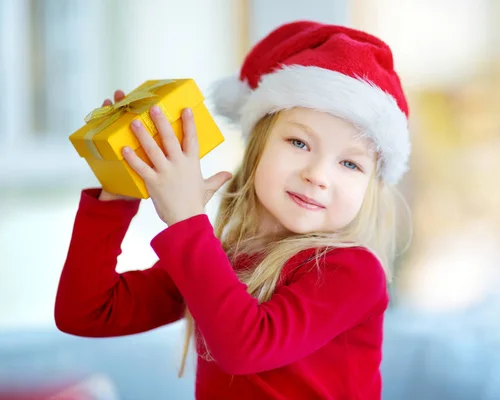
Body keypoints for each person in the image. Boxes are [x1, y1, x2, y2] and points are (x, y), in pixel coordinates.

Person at [55, 20, 412, 400]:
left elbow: (246, 347)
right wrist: (122, 186)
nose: (318, 175)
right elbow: (87, 311)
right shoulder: (224, 259)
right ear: (256, 147)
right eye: (299, 142)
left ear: (371, 185)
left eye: (350, 164)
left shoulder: (353, 272)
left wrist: (187, 219)